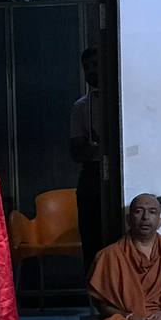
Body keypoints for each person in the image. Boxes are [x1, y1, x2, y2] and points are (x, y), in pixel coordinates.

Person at [69, 46, 103, 272]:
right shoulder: (81, 107)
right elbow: (76, 153)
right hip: (92, 176)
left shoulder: (122, 99)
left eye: (95, 65)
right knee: (92, 240)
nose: (91, 71)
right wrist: (94, 147)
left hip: (117, 173)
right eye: (86, 67)